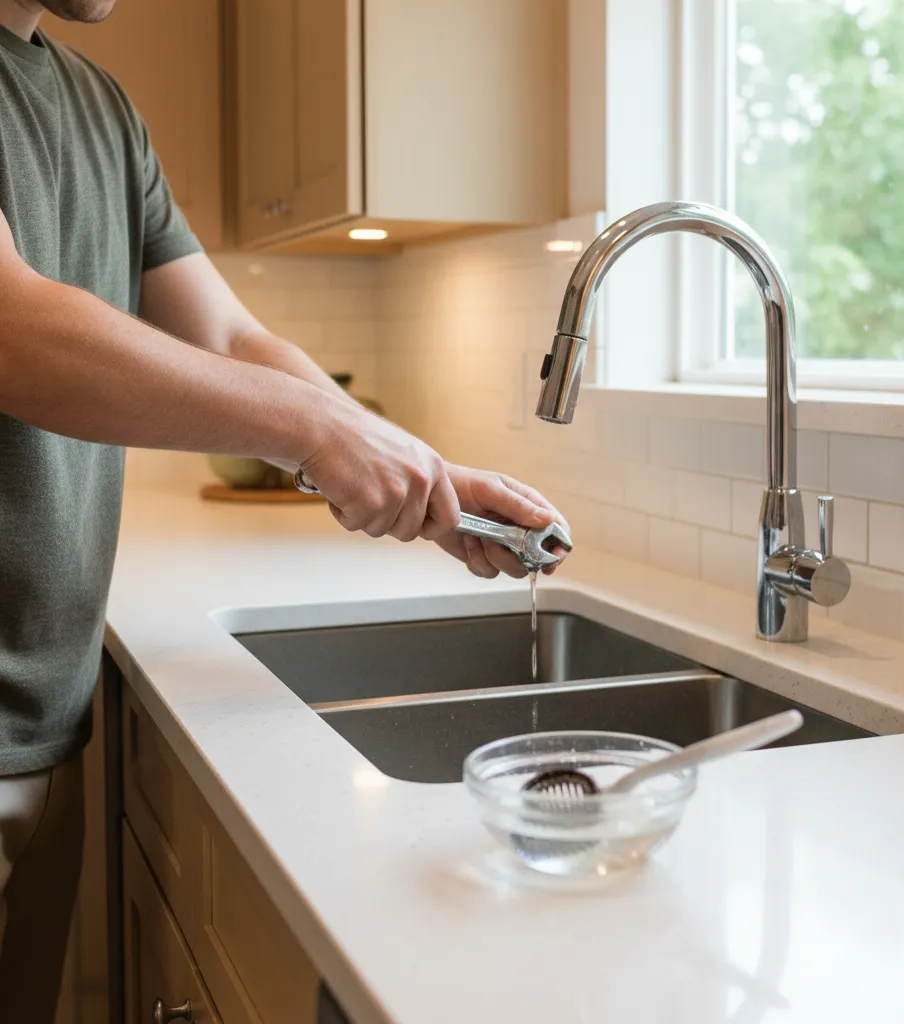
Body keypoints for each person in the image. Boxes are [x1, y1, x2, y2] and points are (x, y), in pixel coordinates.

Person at [0, 0, 567, 1018]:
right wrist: (319, 433)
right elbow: (13, 329)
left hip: (47, 708)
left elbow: (227, 337)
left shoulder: (102, 107)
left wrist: (419, 475)